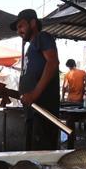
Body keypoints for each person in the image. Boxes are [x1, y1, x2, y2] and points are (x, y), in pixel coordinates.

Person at [11, 8, 60, 150]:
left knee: (42, 156)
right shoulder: (30, 48)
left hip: (43, 111)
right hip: (32, 113)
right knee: (32, 155)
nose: (18, 31)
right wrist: (8, 92)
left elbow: (53, 62)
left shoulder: (42, 37)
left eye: (21, 26)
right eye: (17, 28)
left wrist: (34, 94)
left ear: (32, 23)